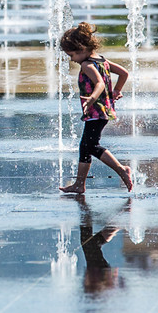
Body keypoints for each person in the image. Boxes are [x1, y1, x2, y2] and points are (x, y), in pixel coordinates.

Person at [58, 22, 133, 194]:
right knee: (85, 146)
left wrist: (92, 98)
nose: (71, 59)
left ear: (82, 48)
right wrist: (116, 91)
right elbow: (124, 73)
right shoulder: (102, 60)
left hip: (96, 111)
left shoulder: (87, 65)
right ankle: (79, 184)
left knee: (91, 146)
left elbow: (98, 83)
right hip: (103, 110)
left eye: (72, 55)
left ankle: (122, 169)